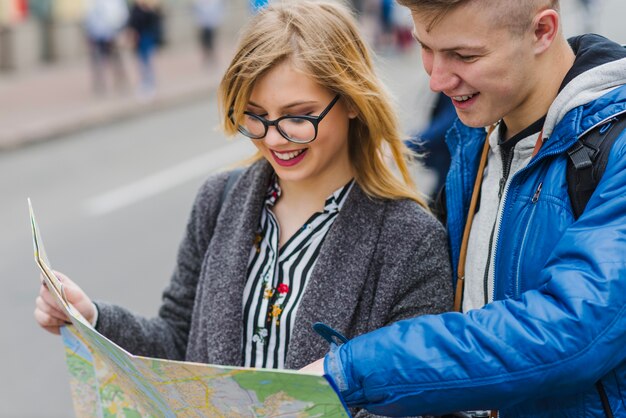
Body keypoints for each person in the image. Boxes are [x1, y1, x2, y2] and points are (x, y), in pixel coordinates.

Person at [34, 1, 453, 416]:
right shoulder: (218, 200)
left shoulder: (411, 239)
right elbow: (178, 344)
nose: (274, 139)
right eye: (255, 116)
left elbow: (416, 398)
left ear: (351, 100)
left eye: (298, 116)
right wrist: (91, 317)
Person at [302, 1, 626, 417]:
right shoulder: (478, 133)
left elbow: (570, 331)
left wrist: (354, 370)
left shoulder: (615, 146)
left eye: (464, 56)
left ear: (542, 31)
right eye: (426, 47)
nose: (437, 79)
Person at [83, 0, 129, 94]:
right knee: (98, 61)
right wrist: (89, 35)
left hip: (111, 34)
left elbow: (121, 15)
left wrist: (117, 29)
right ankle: (100, 84)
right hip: (97, 35)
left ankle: (120, 81)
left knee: (115, 59)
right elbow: (88, 18)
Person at [127, 0, 164, 97]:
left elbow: (156, 22)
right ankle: (145, 83)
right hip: (139, 40)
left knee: (147, 63)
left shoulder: (149, 9)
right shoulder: (135, 9)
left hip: (147, 39)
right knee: (141, 63)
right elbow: (131, 24)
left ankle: (150, 84)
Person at [192, 0, 224, 66]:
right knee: (204, 44)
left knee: (211, 43)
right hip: (203, 26)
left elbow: (218, 12)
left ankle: (213, 58)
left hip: (211, 25)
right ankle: (206, 58)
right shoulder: (199, 3)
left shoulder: (215, 2)